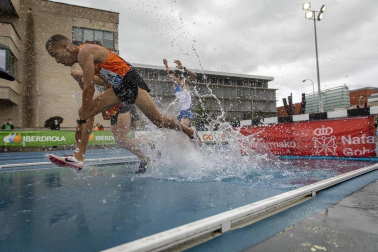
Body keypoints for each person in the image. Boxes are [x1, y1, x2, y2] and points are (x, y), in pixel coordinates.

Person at [45, 34, 201, 170]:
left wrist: (84, 116)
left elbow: (89, 88)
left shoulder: (84, 52)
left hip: (131, 81)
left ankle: (189, 131)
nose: (57, 61)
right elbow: (106, 81)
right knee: (86, 110)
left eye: (55, 55)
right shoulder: (85, 57)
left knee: (159, 121)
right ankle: (78, 157)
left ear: (65, 47)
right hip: (119, 88)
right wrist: (107, 106)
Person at [163, 59, 197, 127]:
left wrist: (183, 68)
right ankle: (192, 132)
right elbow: (169, 73)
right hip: (178, 113)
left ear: (178, 77)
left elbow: (194, 75)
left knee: (182, 128)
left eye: (173, 77)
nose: (172, 79)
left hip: (186, 112)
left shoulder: (184, 83)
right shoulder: (176, 86)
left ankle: (193, 132)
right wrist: (166, 65)